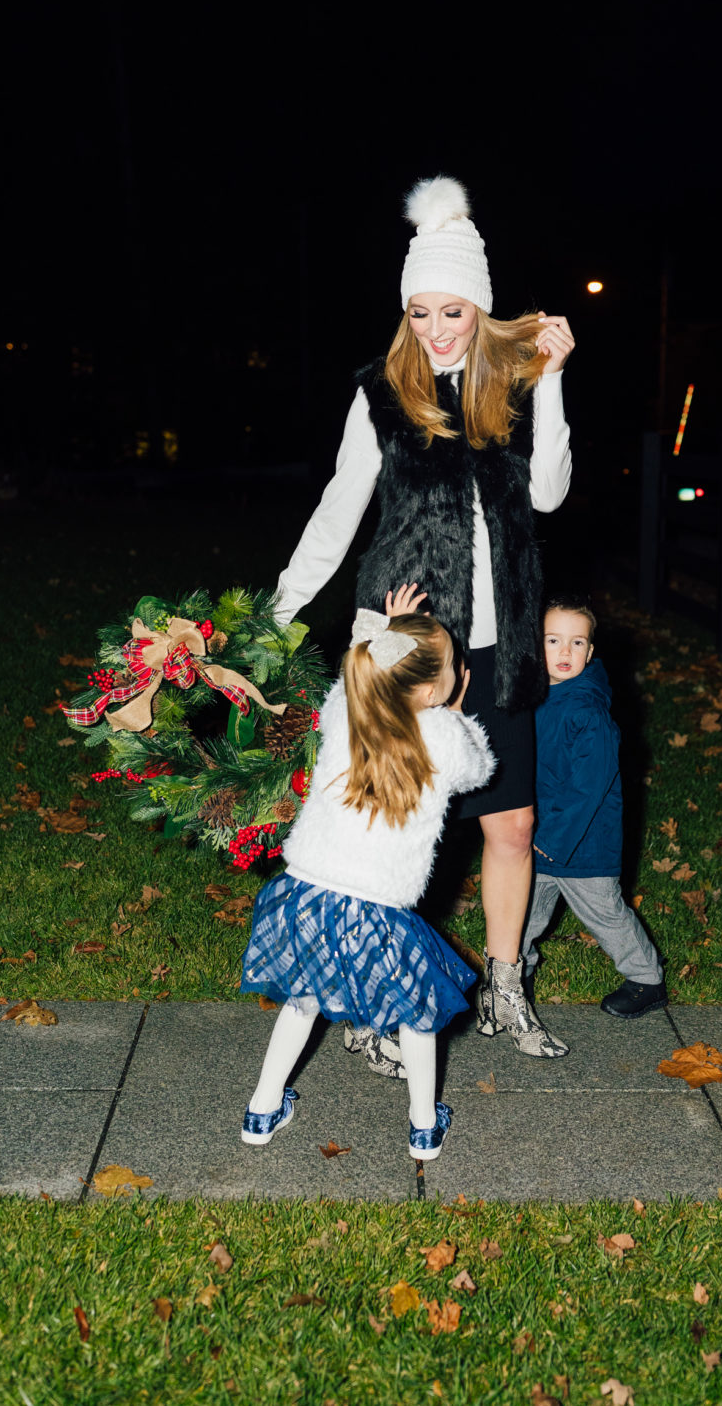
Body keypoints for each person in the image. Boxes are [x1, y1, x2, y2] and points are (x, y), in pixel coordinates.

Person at [274, 175, 573, 1068]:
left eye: (453, 311)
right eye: (419, 312)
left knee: (509, 827)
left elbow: (550, 496)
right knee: (397, 836)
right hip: (407, 644)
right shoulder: (381, 395)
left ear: (481, 309)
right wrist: (280, 608)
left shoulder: (516, 390)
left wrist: (550, 383)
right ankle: (373, 1002)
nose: (437, 329)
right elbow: (339, 508)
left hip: (502, 639)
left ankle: (504, 989)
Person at [239, 601, 494, 1159]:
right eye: (449, 664)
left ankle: (261, 1111)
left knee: (300, 1002)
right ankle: (424, 1127)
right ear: (431, 690)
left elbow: (353, 676)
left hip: (307, 893)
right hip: (378, 910)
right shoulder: (446, 737)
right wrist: (457, 708)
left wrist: (382, 630)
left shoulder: (344, 708)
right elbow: (481, 769)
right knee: (416, 1014)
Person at [520, 595, 667, 1020]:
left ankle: (646, 978)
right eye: (553, 640)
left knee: (605, 913)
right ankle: (516, 973)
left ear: (591, 651)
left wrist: (552, 840)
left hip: (581, 844)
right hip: (538, 834)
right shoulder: (541, 695)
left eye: (577, 643)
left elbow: (589, 788)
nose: (565, 652)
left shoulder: (587, 711)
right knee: (523, 909)